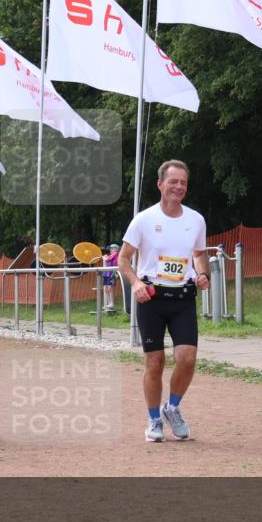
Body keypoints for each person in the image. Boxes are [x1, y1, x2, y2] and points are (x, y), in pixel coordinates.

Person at [117, 159, 210, 443]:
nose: (178, 187)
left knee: (187, 358)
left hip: (183, 297)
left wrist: (203, 274)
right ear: (160, 184)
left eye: (183, 182)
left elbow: (199, 254)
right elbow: (123, 259)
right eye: (173, 181)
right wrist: (136, 283)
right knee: (155, 362)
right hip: (152, 298)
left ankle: (172, 408)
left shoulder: (195, 220)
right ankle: (154, 419)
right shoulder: (144, 219)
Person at [102, 243, 120, 312]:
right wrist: (105, 257)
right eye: (110, 248)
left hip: (111, 273)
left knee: (110, 289)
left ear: (116, 249)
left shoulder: (116, 254)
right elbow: (107, 258)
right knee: (105, 289)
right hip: (106, 274)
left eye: (112, 248)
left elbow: (107, 259)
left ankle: (112, 303)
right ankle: (108, 303)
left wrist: (104, 257)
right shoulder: (110, 255)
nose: (111, 249)